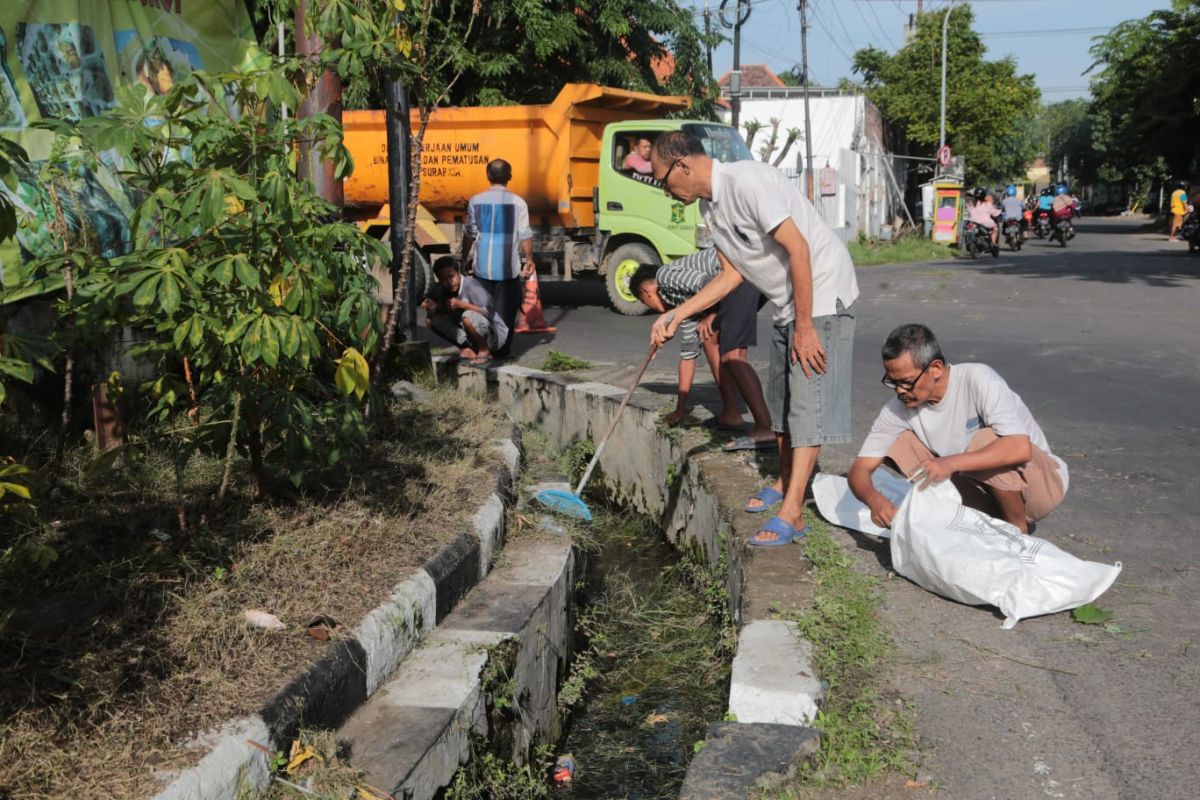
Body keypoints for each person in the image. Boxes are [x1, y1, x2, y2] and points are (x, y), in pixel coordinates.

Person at [648, 130, 860, 546]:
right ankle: (784, 483)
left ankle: (794, 511)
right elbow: (731, 275)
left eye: (663, 180)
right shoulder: (712, 209)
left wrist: (804, 326)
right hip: (789, 300)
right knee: (782, 406)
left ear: (683, 164)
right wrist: (678, 313)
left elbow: (798, 248)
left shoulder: (748, 182)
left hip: (822, 291)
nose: (665, 190)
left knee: (807, 405)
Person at [848, 324, 1068, 535]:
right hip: (983, 491)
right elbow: (859, 470)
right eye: (892, 382)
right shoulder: (897, 409)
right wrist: (874, 500)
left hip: (1040, 486)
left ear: (935, 368)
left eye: (906, 382)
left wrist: (949, 462)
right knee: (901, 443)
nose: (899, 390)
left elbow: (1019, 448)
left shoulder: (977, 378)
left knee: (986, 439)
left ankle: (1017, 530)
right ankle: (982, 520)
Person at [629, 251, 775, 451]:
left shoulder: (665, 276)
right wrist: (680, 409)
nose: (654, 309)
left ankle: (765, 427)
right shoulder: (683, 303)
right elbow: (688, 354)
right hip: (739, 280)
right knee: (708, 337)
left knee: (733, 356)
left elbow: (708, 282)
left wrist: (714, 314)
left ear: (645, 291)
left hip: (740, 273)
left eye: (646, 303)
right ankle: (731, 413)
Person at [461, 159, 535, 358]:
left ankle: (482, 347)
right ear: (509, 177)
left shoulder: (476, 201)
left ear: (488, 176)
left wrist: (462, 259)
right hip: (507, 269)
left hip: (482, 268)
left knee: (482, 310)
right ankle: (502, 350)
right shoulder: (519, 203)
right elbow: (525, 234)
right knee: (505, 313)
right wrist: (529, 260)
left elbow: (469, 233)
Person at [421, 256, 509, 368]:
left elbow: (490, 312)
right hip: (472, 334)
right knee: (431, 320)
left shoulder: (472, 286)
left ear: (458, 273)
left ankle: (484, 351)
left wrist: (462, 305)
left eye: (451, 276)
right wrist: (434, 307)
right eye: (444, 279)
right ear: (439, 279)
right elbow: (445, 312)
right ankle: (468, 349)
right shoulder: (440, 290)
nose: (449, 281)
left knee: (467, 316)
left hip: (496, 335)